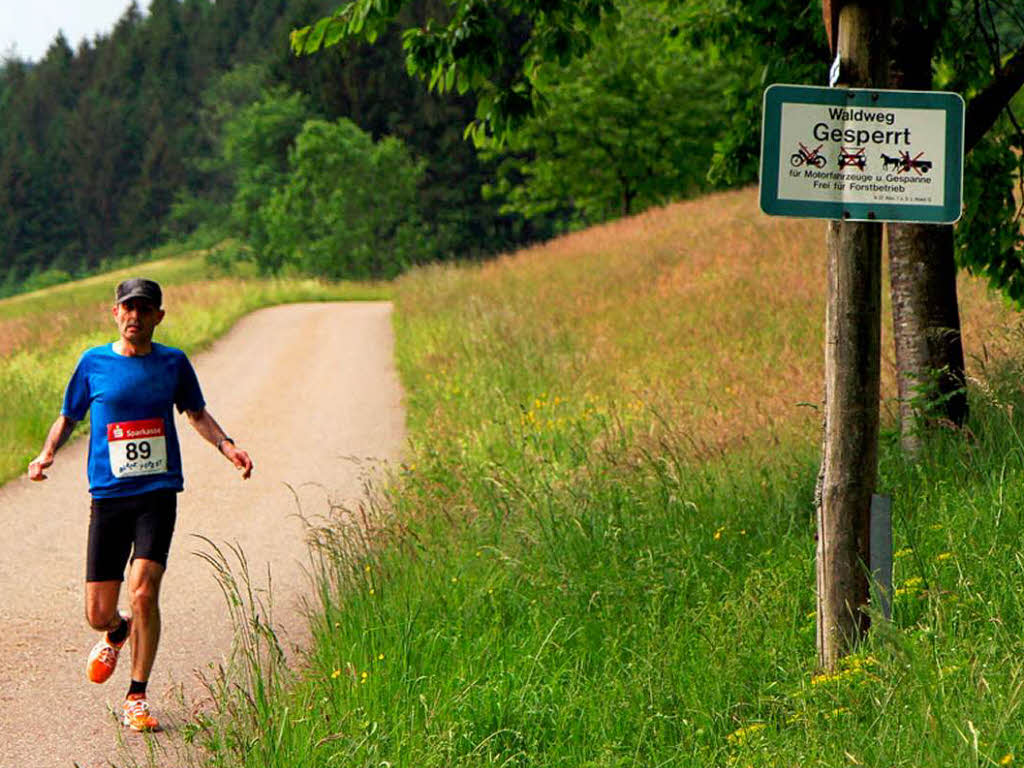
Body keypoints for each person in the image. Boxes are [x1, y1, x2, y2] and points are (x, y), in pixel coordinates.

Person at [27, 278, 254, 732]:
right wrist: (47, 452)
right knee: (97, 614)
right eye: (127, 308)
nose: (134, 315)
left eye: (144, 309)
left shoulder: (173, 363)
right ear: (115, 313)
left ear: (158, 316)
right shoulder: (93, 363)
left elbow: (196, 412)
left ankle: (136, 695)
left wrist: (227, 446)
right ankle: (116, 629)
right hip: (109, 498)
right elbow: (69, 416)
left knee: (145, 590)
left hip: (157, 494)